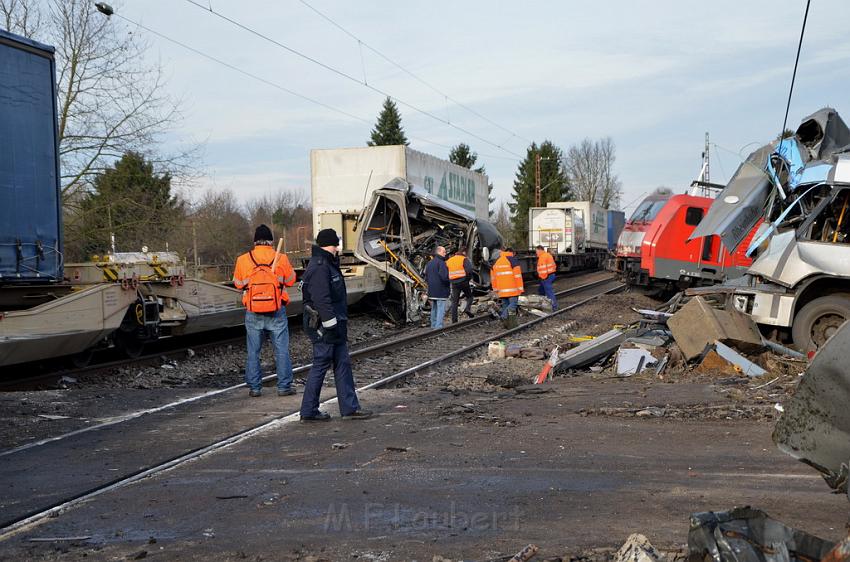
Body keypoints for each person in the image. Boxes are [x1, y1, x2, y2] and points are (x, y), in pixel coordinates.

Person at [299, 228, 372, 422]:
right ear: (331, 245)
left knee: (342, 364)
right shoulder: (321, 267)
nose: (337, 248)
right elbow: (322, 300)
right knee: (321, 364)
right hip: (325, 327)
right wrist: (330, 327)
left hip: (335, 326)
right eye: (336, 244)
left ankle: (349, 408)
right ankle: (309, 411)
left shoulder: (327, 264)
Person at [233, 224, 297, 397]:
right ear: (271, 241)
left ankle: (255, 388)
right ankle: (284, 387)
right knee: (281, 349)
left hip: (253, 311)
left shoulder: (243, 260)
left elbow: (238, 284)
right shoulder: (281, 258)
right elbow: (291, 280)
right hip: (276, 310)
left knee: (253, 350)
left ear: (255, 241)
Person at [491, 246, 523, 327]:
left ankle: (509, 325)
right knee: (513, 304)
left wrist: (495, 289)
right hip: (512, 289)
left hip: (501, 290)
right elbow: (518, 276)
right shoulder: (513, 260)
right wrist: (520, 289)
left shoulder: (496, 262)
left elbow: (493, 277)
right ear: (512, 253)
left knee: (506, 305)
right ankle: (503, 316)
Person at [424, 245, 450, 329]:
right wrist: (448, 284)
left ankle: (433, 325)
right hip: (441, 289)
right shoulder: (441, 262)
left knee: (434, 308)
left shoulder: (429, 263)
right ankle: (438, 327)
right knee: (441, 308)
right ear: (438, 252)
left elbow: (426, 276)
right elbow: (444, 277)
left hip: (432, 289)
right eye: (444, 252)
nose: (445, 253)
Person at [447, 247, 474, 323]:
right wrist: (467, 279)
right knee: (470, 297)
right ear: (464, 252)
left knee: (455, 301)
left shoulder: (449, 260)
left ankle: (454, 320)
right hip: (463, 281)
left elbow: (445, 272)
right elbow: (469, 270)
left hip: (454, 283)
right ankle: (467, 309)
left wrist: (450, 280)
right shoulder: (464, 259)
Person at [535, 244, 557, 311]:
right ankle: (543, 305)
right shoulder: (547, 255)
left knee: (549, 292)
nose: (536, 253)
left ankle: (554, 307)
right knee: (541, 290)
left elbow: (543, 268)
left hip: (546, 276)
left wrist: (543, 277)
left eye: (536, 251)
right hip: (550, 275)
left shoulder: (542, 257)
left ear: (540, 250)